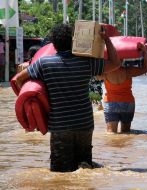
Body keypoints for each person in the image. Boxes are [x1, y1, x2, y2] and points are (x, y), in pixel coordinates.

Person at [15, 23, 121, 172]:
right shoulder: (86, 62)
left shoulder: (43, 63)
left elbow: (19, 79)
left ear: (53, 44)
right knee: (84, 168)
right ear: (74, 41)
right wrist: (107, 40)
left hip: (60, 126)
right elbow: (116, 63)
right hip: (84, 124)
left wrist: (30, 104)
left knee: (60, 173)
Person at [98, 43, 147, 133]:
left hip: (111, 103)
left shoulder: (105, 71)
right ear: (122, 59)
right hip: (128, 103)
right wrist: (144, 52)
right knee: (126, 133)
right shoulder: (128, 71)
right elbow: (146, 68)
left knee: (111, 134)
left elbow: (94, 74)